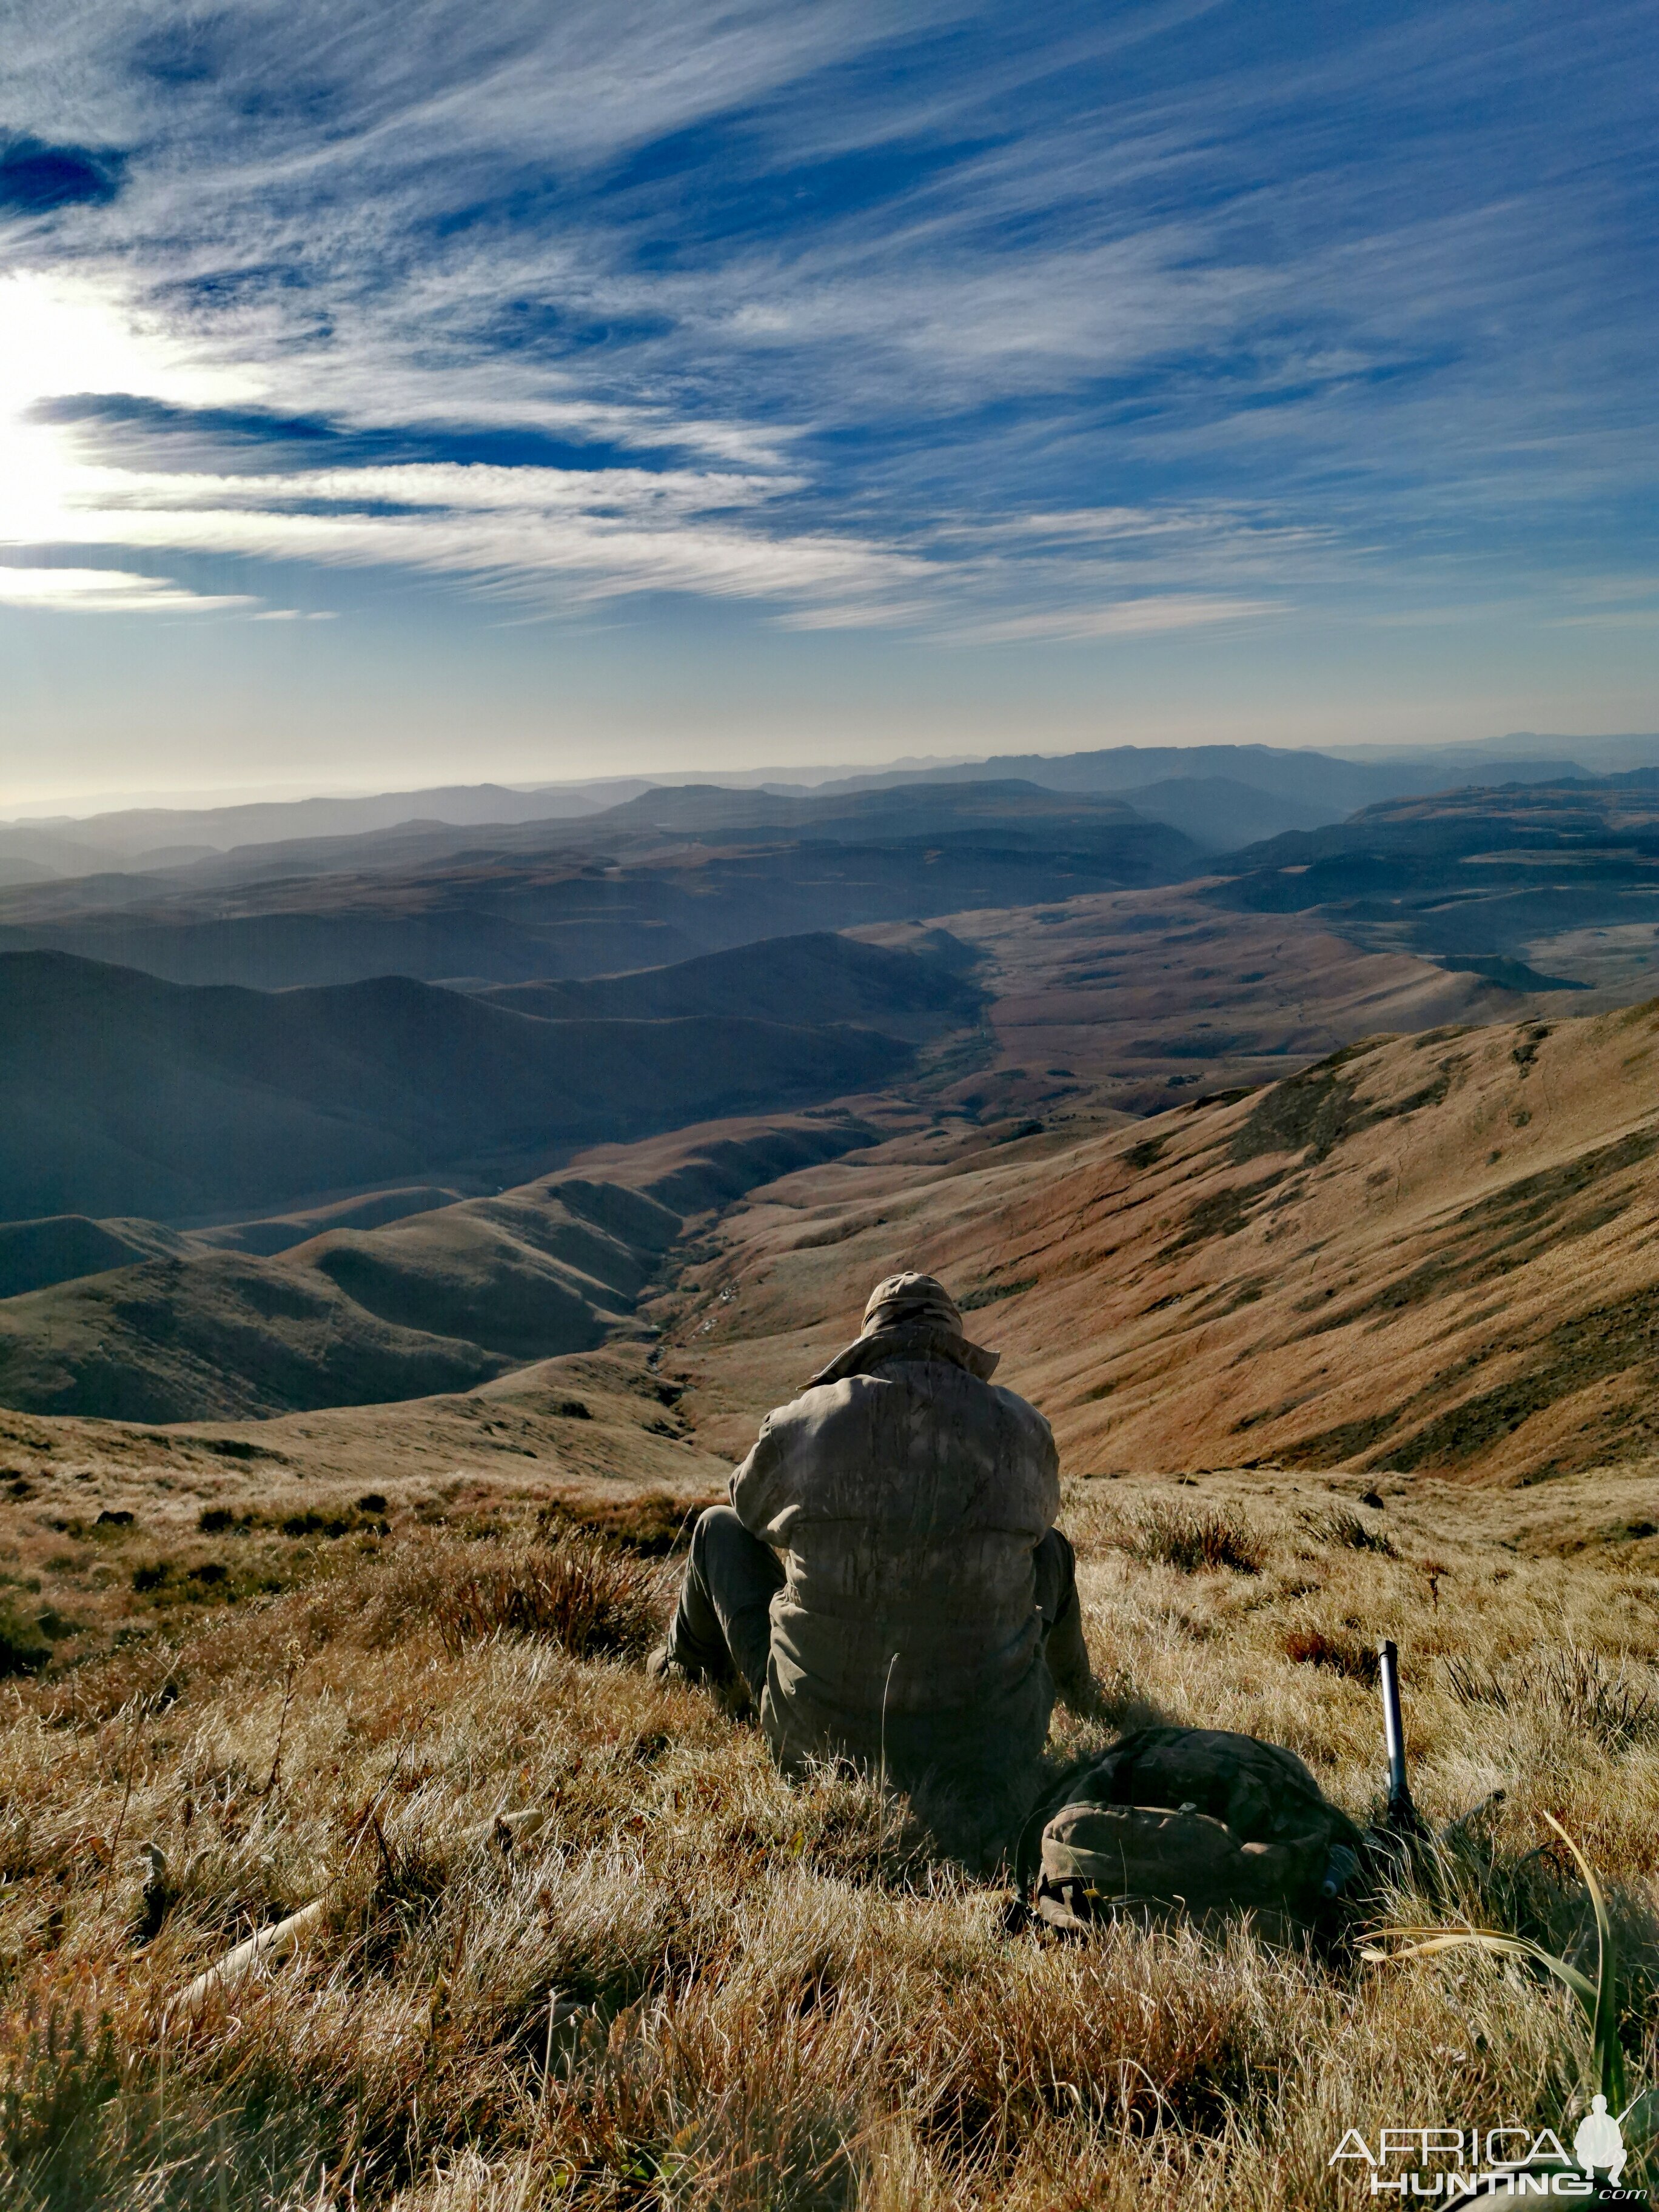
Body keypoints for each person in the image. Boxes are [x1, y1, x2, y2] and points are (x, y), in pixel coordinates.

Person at [651, 1270, 1092, 1863]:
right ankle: (1077, 1688)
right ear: (955, 1343)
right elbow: (1038, 1525)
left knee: (714, 1529)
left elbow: (749, 1511)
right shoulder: (1024, 1427)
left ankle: (684, 1668)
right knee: (1053, 1550)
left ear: (870, 1342)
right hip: (993, 1745)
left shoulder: (805, 1420)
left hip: (818, 1740)